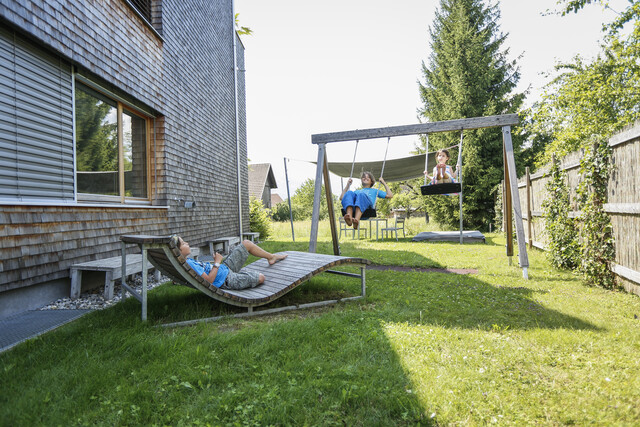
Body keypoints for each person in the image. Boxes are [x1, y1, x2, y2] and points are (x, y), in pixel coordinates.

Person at [177, 237, 287, 290]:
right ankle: (242, 276)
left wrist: (217, 263)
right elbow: (208, 281)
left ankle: (271, 257)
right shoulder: (189, 265)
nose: (187, 243)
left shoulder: (188, 261)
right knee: (260, 277)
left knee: (246, 244)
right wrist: (216, 262)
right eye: (183, 243)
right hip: (226, 280)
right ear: (178, 251)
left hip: (225, 269)